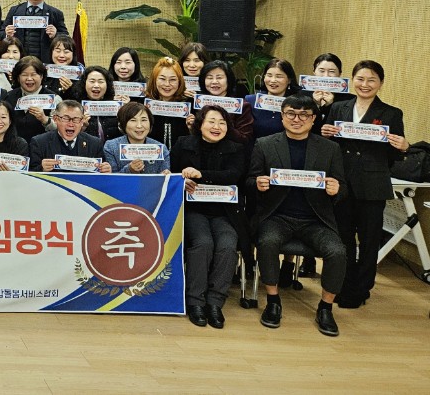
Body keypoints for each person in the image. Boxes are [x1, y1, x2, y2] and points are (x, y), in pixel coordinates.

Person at [248, 94, 347, 337]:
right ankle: (273, 301)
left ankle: (325, 308)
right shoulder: (264, 144)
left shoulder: (330, 148)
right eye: (291, 113)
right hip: (276, 216)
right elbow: (249, 181)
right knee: (267, 243)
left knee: (337, 252)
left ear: (313, 119)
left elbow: (342, 187)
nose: (297, 119)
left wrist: (336, 189)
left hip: (315, 220)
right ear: (282, 117)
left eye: (304, 115)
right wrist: (257, 183)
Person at [322, 60, 409, 308]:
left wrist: (404, 147)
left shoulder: (392, 113)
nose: (365, 84)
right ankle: (343, 285)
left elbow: (393, 156)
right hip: (342, 183)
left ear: (381, 83)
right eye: (360, 79)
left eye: (372, 80)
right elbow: (329, 147)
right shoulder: (338, 108)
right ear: (352, 80)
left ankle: (361, 289)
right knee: (343, 238)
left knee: (369, 241)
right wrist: (324, 133)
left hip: (372, 185)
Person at [171, 105, 245, 328]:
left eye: (222, 123)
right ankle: (195, 301)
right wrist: (183, 180)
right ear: (200, 124)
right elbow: (172, 174)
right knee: (203, 243)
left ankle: (215, 302)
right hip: (193, 209)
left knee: (228, 245)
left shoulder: (236, 148)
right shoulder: (183, 144)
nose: (216, 127)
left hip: (224, 212)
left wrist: (201, 175)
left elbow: (234, 176)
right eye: (211, 121)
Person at [29, 100, 111, 173]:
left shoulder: (95, 143)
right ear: (55, 119)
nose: (71, 124)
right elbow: (28, 176)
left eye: (76, 119)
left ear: (82, 121)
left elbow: (101, 177)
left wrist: (106, 171)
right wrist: (41, 169)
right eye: (65, 118)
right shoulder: (39, 142)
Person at [3, 0, 67, 63]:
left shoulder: (56, 13)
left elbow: (66, 38)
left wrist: (55, 34)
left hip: (45, 61)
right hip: (19, 60)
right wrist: (7, 34)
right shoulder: (14, 10)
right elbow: (1, 33)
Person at [103, 102, 170, 173]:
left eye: (144, 120)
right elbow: (111, 178)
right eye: (133, 120)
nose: (139, 126)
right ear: (123, 124)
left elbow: (165, 176)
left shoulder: (161, 149)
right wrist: (129, 170)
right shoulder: (111, 147)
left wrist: (165, 175)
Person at [246, 58, 300, 141]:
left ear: (289, 80)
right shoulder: (250, 101)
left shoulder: (298, 103)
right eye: (269, 75)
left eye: (279, 76)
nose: (273, 80)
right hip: (255, 147)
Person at [2, 56, 52, 143]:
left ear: (41, 76)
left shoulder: (53, 98)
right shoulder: (8, 96)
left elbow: (60, 128)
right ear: (18, 77)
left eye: (33, 74)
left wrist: (45, 119)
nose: (29, 79)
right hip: (14, 146)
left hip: (42, 146)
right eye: (24, 75)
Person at [145, 56, 188, 150]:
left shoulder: (188, 106)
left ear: (179, 81)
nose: (167, 84)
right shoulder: (144, 106)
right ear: (154, 80)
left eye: (173, 80)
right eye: (162, 79)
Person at [309, 53, 352, 133]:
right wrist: (316, 105)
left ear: (339, 74)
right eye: (321, 71)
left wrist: (331, 106)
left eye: (332, 71)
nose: (326, 76)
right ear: (314, 72)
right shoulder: (302, 95)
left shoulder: (349, 100)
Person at [76, 66, 120, 141]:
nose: (96, 85)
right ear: (84, 83)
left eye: (101, 82)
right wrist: (80, 128)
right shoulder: (76, 106)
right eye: (92, 81)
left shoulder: (116, 105)